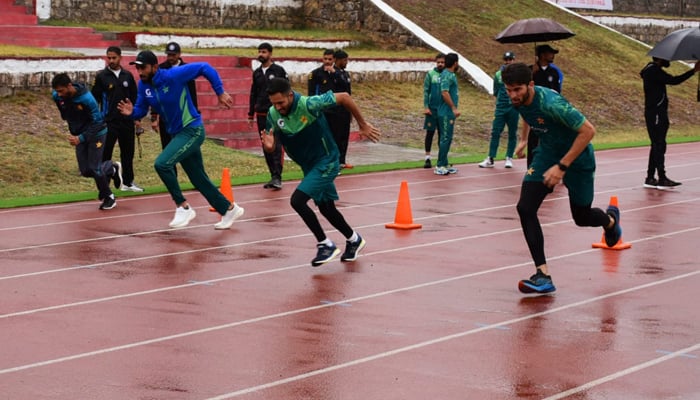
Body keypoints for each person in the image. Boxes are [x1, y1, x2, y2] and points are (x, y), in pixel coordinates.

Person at [501, 62, 621, 294]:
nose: (512, 95)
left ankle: (610, 222)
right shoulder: (516, 99)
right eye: (509, 89)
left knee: (582, 216)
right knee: (525, 208)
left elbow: (588, 131)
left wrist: (562, 166)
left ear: (531, 85)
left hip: (578, 158)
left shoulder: (552, 104)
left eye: (517, 90)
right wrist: (524, 139)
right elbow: (527, 113)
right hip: (547, 153)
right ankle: (543, 275)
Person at [116, 50, 244, 229]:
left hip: (192, 130)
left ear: (154, 66)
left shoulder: (173, 75)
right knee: (198, 178)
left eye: (143, 68)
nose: (140, 72)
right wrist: (131, 114)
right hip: (176, 134)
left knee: (162, 164)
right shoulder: (144, 86)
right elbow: (140, 110)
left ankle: (183, 206)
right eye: (137, 68)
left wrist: (220, 92)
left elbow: (204, 67)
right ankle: (229, 209)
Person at [260, 78, 381, 267]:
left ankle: (325, 245)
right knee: (326, 207)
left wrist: (362, 124)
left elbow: (344, 97)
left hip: (327, 161)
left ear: (290, 95)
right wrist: (269, 148)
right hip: (309, 166)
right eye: (274, 103)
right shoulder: (273, 114)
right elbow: (271, 143)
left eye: (281, 102)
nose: (278, 107)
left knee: (297, 201)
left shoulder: (309, 104)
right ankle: (354, 239)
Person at [51, 73, 123, 210]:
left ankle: (109, 197)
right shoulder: (57, 97)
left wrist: (81, 138)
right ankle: (111, 168)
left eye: (61, 91)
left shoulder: (87, 99)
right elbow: (64, 113)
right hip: (80, 134)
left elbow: (97, 122)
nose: (58, 94)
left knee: (95, 167)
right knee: (85, 170)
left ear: (69, 86)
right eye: (57, 91)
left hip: (97, 133)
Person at [640, 57, 699, 190]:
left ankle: (650, 177)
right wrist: (693, 71)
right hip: (655, 113)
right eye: (667, 59)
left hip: (657, 112)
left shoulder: (652, 70)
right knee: (659, 144)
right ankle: (662, 178)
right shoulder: (654, 71)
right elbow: (674, 80)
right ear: (660, 59)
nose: (669, 62)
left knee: (657, 145)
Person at [91, 46, 143, 192]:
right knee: (106, 153)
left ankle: (128, 182)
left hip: (127, 121)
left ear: (120, 57)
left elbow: (135, 98)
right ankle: (105, 185)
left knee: (128, 153)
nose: (111, 61)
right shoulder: (102, 77)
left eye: (114, 58)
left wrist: (137, 118)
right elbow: (94, 99)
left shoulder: (127, 75)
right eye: (109, 58)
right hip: (109, 122)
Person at [248, 42, 288, 190]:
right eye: (259, 51)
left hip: (276, 114)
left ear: (270, 54)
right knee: (266, 145)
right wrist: (251, 114)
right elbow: (253, 93)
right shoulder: (257, 73)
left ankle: (278, 176)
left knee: (276, 144)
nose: (261, 54)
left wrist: (285, 110)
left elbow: (286, 90)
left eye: (264, 52)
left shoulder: (278, 70)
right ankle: (272, 175)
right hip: (261, 114)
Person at [150, 42, 199, 155]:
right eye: (169, 55)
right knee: (167, 150)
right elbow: (155, 94)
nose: (171, 57)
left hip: (184, 117)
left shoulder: (187, 69)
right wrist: (153, 116)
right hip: (166, 117)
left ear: (179, 54)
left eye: (173, 55)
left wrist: (195, 113)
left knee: (185, 149)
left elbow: (192, 94)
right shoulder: (161, 70)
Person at [479, 51, 518, 169]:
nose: (508, 62)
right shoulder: (498, 74)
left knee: (512, 132)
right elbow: (496, 90)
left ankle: (509, 157)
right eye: (506, 60)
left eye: (510, 60)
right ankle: (490, 158)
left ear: (513, 60)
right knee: (495, 132)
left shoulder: (517, 74)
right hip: (501, 107)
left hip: (513, 107)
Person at [527, 44, 563, 168]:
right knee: (534, 139)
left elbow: (557, 92)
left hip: (550, 111)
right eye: (550, 53)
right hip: (535, 111)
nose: (552, 55)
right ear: (542, 55)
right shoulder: (531, 70)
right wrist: (532, 73)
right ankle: (531, 168)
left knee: (553, 139)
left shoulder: (554, 72)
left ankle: (554, 166)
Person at [434, 52, 460, 176]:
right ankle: (439, 165)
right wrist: (453, 108)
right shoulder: (446, 75)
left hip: (448, 112)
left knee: (448, 138)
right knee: (445, 138)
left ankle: (444, 163)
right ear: (455, 63)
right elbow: (444, 92)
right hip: (445, 112)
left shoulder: (450, 75)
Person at [422, 53, 445, 169]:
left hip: (443, 109)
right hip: (432, 109)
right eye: (438, 62)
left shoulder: (448, 75)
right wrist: (426, 107)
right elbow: (426, 91)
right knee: (430, 133)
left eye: (442, 62)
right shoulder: (431, 74)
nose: (440, 64)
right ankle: (427, 158)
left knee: (442, 134)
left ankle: (441, 158)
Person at [332, 49, 353, 169]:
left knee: (345, 136)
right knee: (336, 136)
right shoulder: (333, 74)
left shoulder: (346, 74)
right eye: (344, 60)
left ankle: (342, 160)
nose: (346, 62)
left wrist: (350, 111)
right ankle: (336, 161)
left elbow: (349, 93)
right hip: (336, 110)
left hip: (345, 109)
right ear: (338, 60)